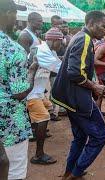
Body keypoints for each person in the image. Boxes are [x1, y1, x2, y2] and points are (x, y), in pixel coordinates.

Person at [51, 11, 105, 180]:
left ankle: (69, 171)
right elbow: (75, 73)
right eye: (103, 26)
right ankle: (75, 173)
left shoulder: (79, 36)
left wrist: (93, 86)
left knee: (80, 136)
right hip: (77, 98)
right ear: (91, 23)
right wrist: (94, 87)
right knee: (100, 136)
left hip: (70, 97)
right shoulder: (84, 39)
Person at [0, 0, 39, 179]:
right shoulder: (12, 49)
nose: (16, 18)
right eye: (14, 13)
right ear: (7, 13)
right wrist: (31, 71)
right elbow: (19, 93)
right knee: (14, 168)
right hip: (10, 122)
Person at [27, 28, 65, 165]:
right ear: (54, 40)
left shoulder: (49, 50)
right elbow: (60, 68)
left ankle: (34, 132)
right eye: (60, 42)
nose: (61, 46)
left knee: (48, 107)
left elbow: (57, 60)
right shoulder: (43, 52)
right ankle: (38, 155)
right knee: (44, 117)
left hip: (37, 91)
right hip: (30, 93)